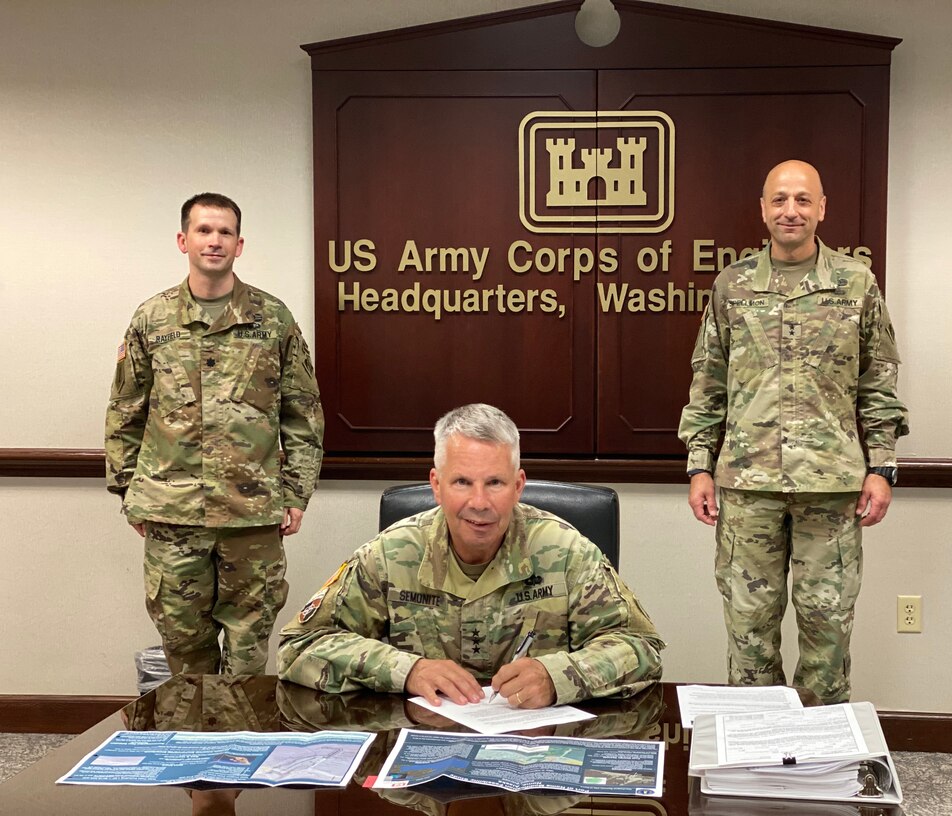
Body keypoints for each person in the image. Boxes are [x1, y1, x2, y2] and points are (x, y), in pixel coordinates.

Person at [678, 160, 909, 703]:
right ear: (762, 210)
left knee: (827, 629)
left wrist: (881, 466)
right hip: (747, 486)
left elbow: (878, 379)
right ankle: (756, 754)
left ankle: (821, 759)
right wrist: (698, 465)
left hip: (831, 488)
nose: (791, 211)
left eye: (803, 200)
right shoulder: (732, 286)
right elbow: (708, 380)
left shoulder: (855, 284)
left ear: (822, 209)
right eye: (779, 200)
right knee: (749, 628)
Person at [278, 403, 664, 708]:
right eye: (462, 482)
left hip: (536, 763)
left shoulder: (565, 552)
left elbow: (640, 648)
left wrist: (557, 676)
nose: (479, 503)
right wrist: (406, 670)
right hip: (424, 766)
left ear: (518, 486)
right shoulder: (392, 553)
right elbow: (299, 647)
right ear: (436, 485)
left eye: (495, 483)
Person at [106, 192, 324, 676]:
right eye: (204, 230)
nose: (214, 240)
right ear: (184, 240)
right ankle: (194, 748)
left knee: (249, 649)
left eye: (225, 232)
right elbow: (125, 410)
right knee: (185, 648)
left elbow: (303, 413)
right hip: (172, 511)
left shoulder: (273, 319)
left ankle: (243, 751)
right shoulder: (152, 319)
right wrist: (129, 493)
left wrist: (297, 493)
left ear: (239, 244)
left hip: (252, 513)